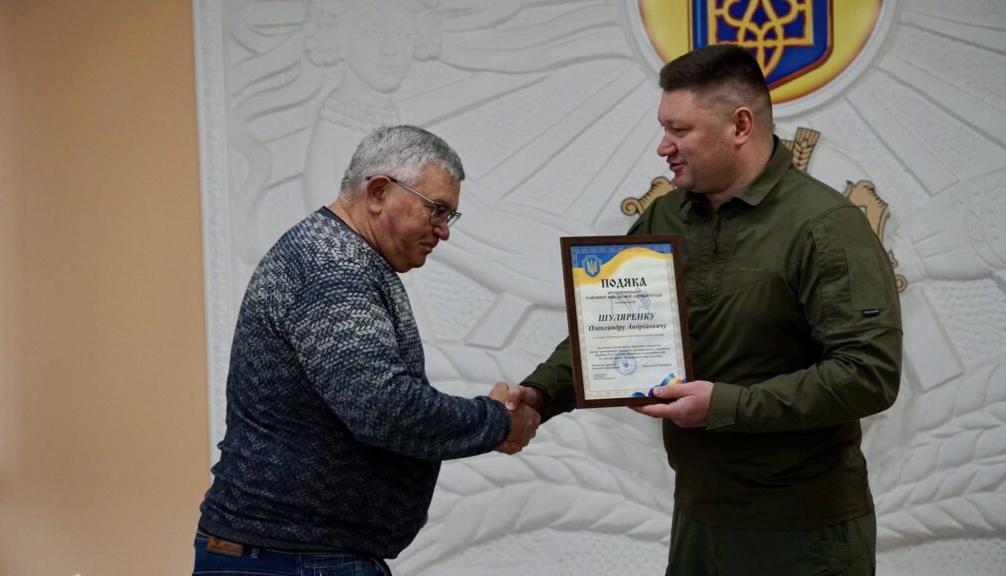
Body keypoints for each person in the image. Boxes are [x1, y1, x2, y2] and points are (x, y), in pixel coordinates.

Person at [506, 44, 902, 575]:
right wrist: (537, 395)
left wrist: (724, 406)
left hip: (805, 535)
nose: (662, 147)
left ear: (740, 125)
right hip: (698, 521)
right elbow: (607, 333)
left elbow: (869, 375)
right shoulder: (663, 218)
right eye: (663, 128)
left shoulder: (826, 226)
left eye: (679, 130)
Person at [195, 125, 540, 576]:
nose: (443, 231)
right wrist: (499, 421)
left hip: (292, 552)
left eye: (449, 216)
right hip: (293, 556)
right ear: (378, 191)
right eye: (436, 209)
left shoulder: (338, 256)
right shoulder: (332, 266)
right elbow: (383, 408)